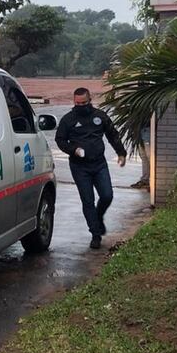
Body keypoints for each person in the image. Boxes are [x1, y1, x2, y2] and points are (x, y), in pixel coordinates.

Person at [55, 87, 127, 249]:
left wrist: (121, 153)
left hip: (99, 164)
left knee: (107, 195)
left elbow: (112, 134)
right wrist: (73, 150)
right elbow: (60, 140)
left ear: (90, 100)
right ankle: (95, 234)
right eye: (77, 103)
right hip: (79, 167)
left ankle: (98, 216)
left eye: (84, 103)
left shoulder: (99, 116)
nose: (81, 106)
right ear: (74, 102)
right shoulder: (68, 119)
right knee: (88, 200)